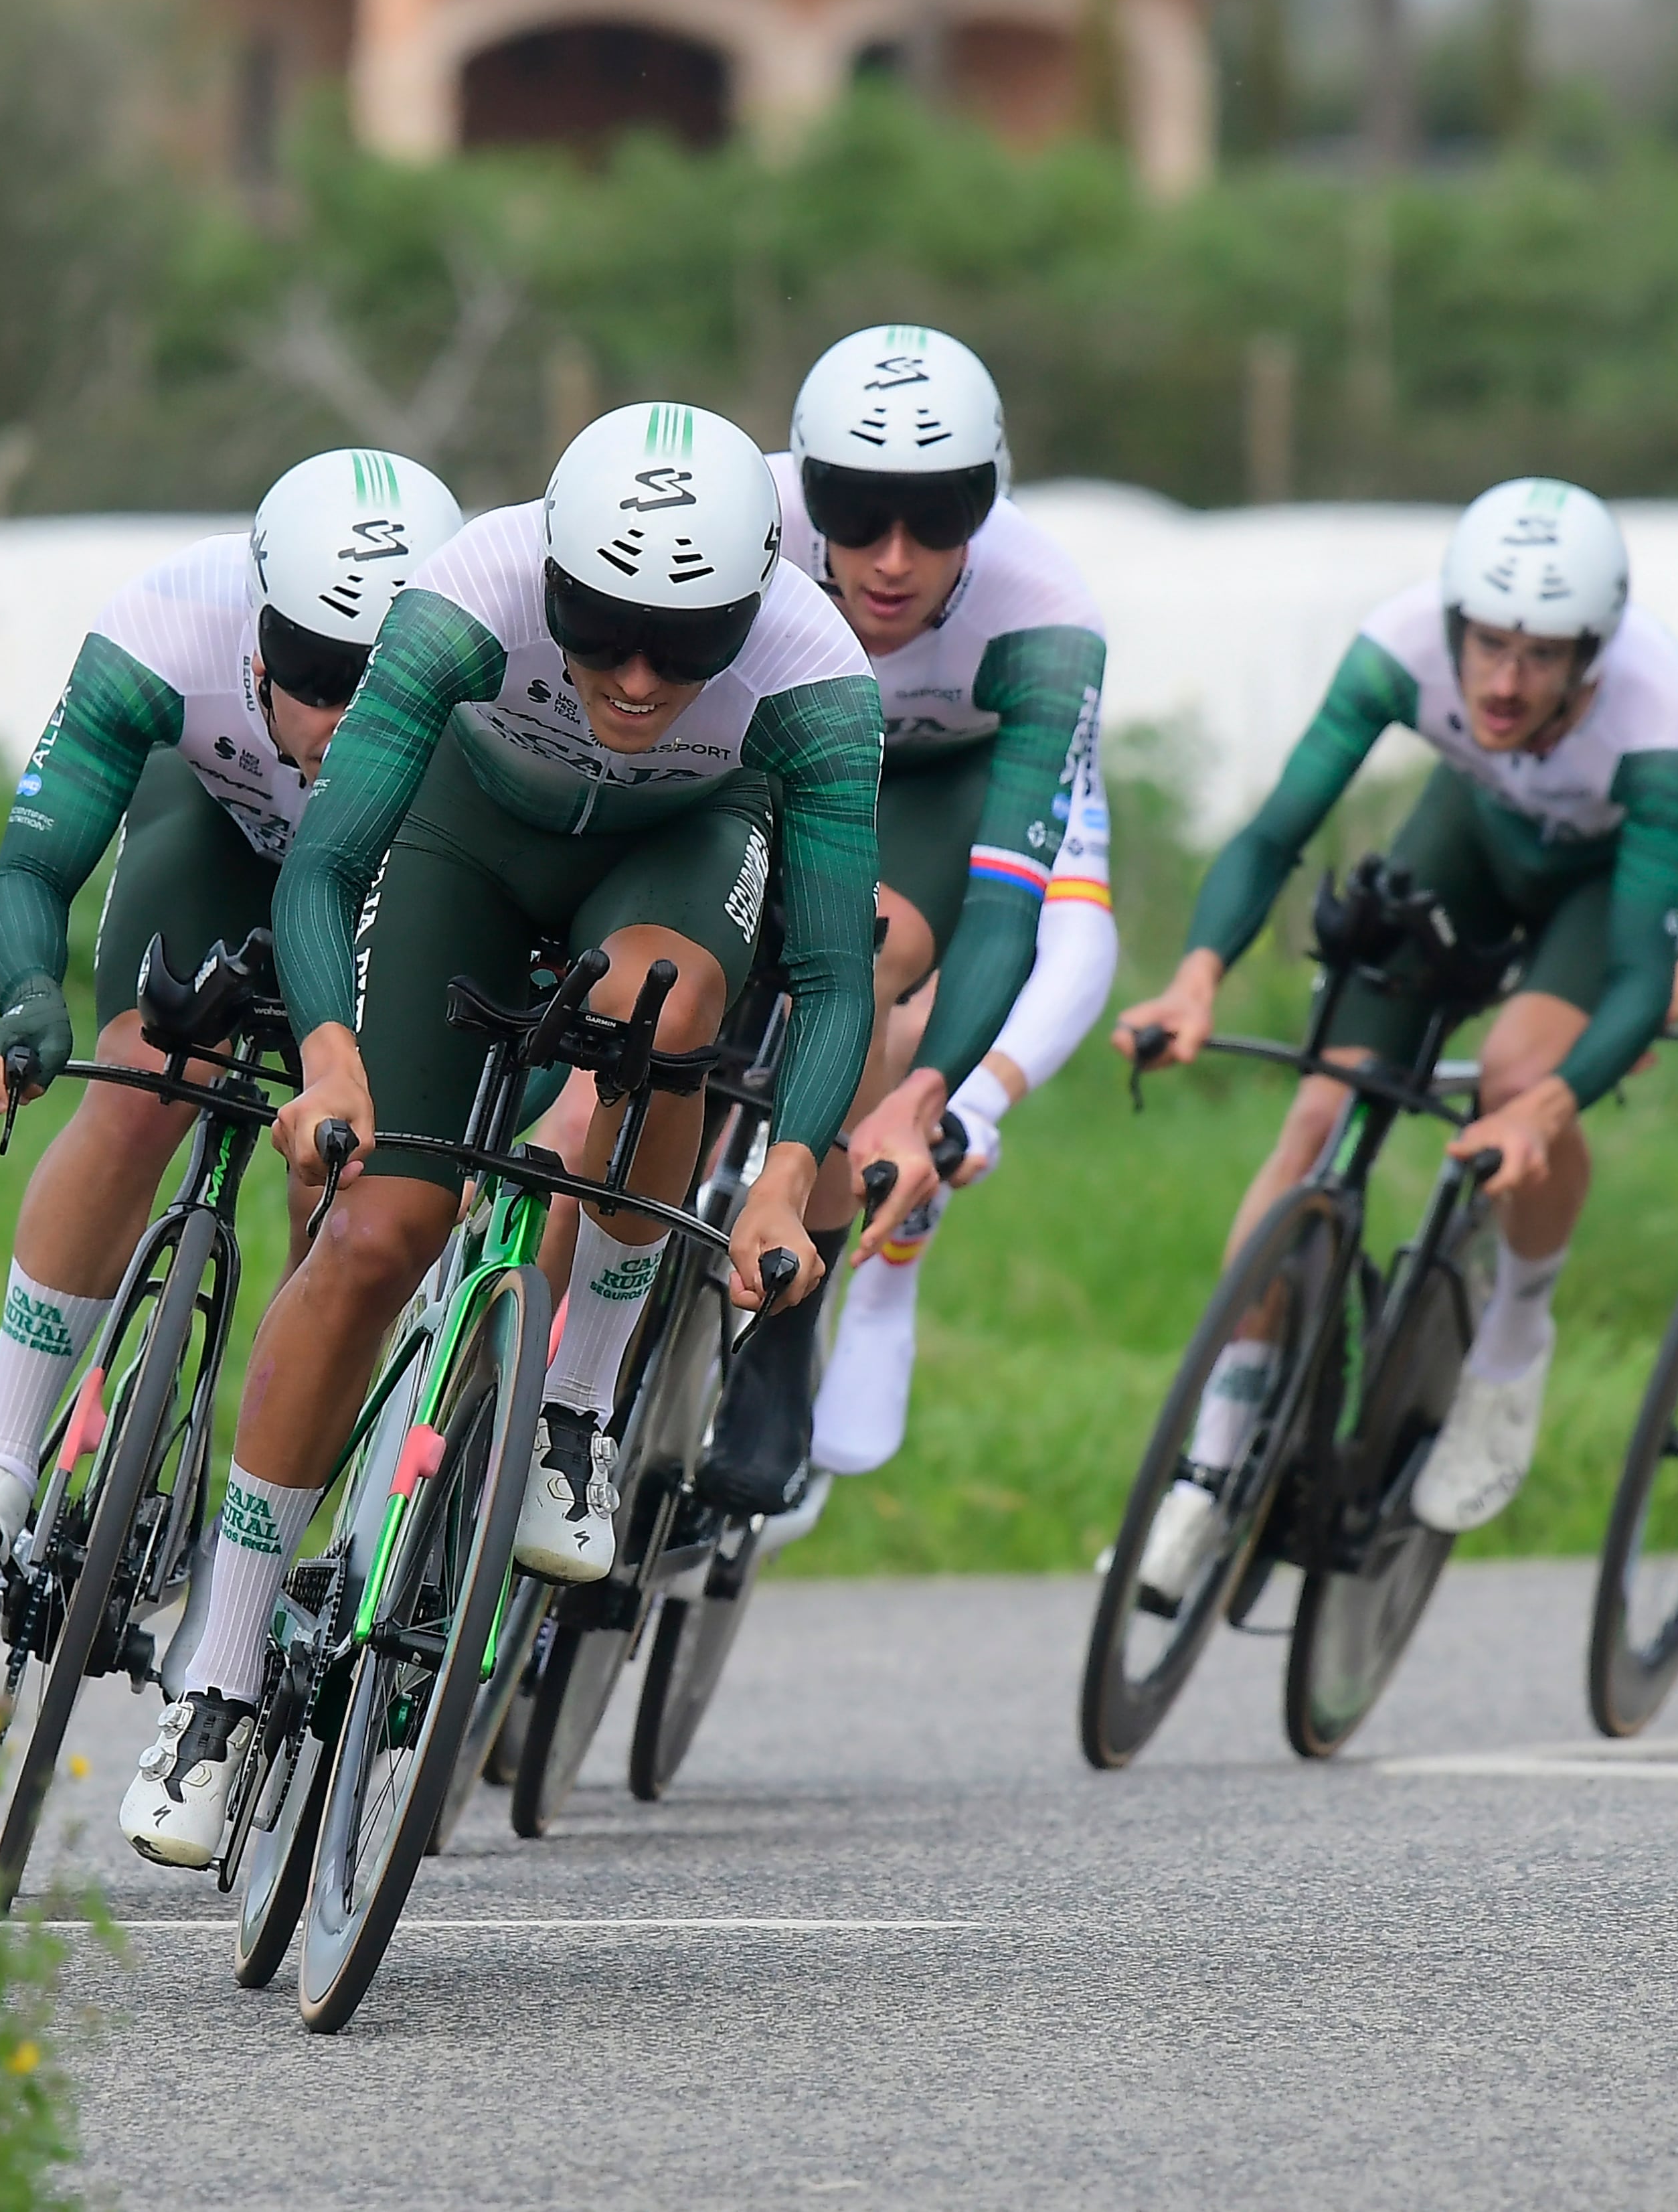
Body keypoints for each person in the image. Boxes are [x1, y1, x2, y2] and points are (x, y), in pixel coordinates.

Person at [112, 403, 888, 1868]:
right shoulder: (467, 595)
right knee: (377, 1232)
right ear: (550, 574)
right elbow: (328, 859)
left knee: (664, 1015)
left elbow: (836, 976)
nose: (642, 677)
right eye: (600, 630)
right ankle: (214, 1682)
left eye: (687, 642)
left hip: (677, 849)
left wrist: (787, 1176)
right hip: (467, 842)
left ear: (760, 599)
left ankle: (575, 1411)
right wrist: (333, 1059)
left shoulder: (814, 678)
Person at [1113, 477, 1678, 1591]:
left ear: (1592, 655)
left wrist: (1544, 1108)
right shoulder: (1396, 647)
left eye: (1541, 657)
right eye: (1486, 645)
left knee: (1516, 1070)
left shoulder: (1656, 716)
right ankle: (1213, 1467)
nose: (1504, 680)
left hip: (1606, 883)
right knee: (1314, 1118)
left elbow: (1638, 978)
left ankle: (1515, 1340)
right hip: (1476, 833)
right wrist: (1195, 978)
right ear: (1452, 627)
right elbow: (1273, 831)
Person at [0, 448, 463, 1598]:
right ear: (257, 636)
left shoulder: (497, 651)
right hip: (221, 835)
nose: (347, 717)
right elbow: (32, 864)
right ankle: (1, 1459)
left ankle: (306, 1501)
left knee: (348, 1177)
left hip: (395, 880)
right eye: (316, 675)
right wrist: (24, 999)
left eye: (385, 681)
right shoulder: (165, 623)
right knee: (141, 1071)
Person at [685, 322, 1108, 1524]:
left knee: (858, 952)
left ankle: (779, 1346)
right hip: (760, 753)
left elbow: (1011, 908)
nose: (891, 558)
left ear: (991, 502)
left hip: (927, 788)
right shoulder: (740, 523)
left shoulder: (1046, 613)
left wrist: (931, 1093)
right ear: (804, 488)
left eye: (937, 520)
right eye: (857, 517)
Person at [788, 730, 1120, 1532]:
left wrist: (972, 1105)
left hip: (930, 867)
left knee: (906, 1008)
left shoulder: (1029, 636)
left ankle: (880, 1271)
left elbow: (1076, 934)